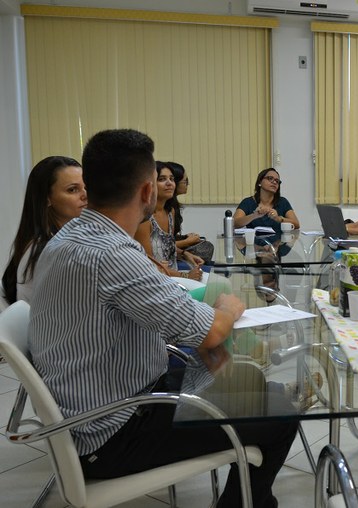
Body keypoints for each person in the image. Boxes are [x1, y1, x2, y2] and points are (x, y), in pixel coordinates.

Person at [28, 128, 298, 508]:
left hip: (103, 402)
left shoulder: (70, 236)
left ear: (90, 185)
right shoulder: (113, 255)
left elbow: (164, 306)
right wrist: (228, 307)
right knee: (283, 413)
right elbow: (212, 330)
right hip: (113, 432)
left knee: (251, 381)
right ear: (146, 192)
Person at [2, 156, 86, 306]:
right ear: (47, 199)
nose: (85, 195)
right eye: (72, 189)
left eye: (86, 187)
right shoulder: (46, 250)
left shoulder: (67, 239)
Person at [135, 162, 203, 281]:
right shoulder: (144, 218)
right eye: (162, 179)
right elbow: (149, 265)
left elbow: (166, 246)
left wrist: (185, 254)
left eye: (171, 179)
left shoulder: (170, 211)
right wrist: (186, 276)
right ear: (149, 185)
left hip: (173, 276)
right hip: (156, 281)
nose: (169, 183)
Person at [235, 168, 300, 233]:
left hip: (278, 242)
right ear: (260, 182)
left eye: (277, 181)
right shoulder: (248, 202)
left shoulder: (282, 202)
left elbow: (296, 224)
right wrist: (254, 215)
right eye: (270, 178)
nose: (274, 182)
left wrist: (278, 218)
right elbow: (234, 223)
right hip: (254, 242)